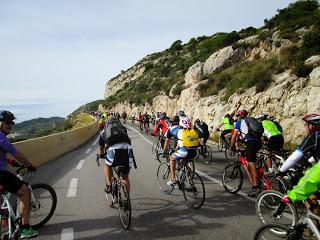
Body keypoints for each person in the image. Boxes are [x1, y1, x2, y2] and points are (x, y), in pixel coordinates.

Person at [0, 110, 38, 238]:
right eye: (7, 122)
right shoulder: (1, 137)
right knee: (25, 191)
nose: (10, 125)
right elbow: (15, 153)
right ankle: (25, 229)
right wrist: (28, 165)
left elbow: (3, 155)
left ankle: (5, 221)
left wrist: (10, 161)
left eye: (12, 122)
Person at [278, 113, 320, 203]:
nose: (305, 127)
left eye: (306, 125)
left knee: (310, 195)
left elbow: (294, 157)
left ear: (312, 126)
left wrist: (281, 170)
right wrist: (309, 160)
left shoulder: (313, 137)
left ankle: (310, 217)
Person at [99, 116, 136, 194]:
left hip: (113, 152)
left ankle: (109, 185)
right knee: (125, 178)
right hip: (127, 150)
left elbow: (101, 147)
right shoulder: (122, 129)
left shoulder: (104, 132)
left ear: (107, 124)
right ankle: (127, 201)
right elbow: (128, 140)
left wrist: (102, 155)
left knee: (107, 166)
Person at [230, 110, 262, 197]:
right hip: (259, 142)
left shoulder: (239, 122)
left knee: (251, 164)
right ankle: (258, 173)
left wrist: (232, 147)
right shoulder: (252, 120)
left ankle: (255, 186)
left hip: (250, 143)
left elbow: (234, 136)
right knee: (250, 159)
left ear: (239, 116)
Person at [162, 117, 199, 186]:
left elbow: (167, 142)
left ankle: (173, 179)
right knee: (185, 164)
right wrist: (176, 149)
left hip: (184, 152)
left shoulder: (174, 130)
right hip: (194, 152)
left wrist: (164, 151)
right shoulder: (192, 131)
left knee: (172, 158)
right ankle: (191, 183)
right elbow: (181, 142)